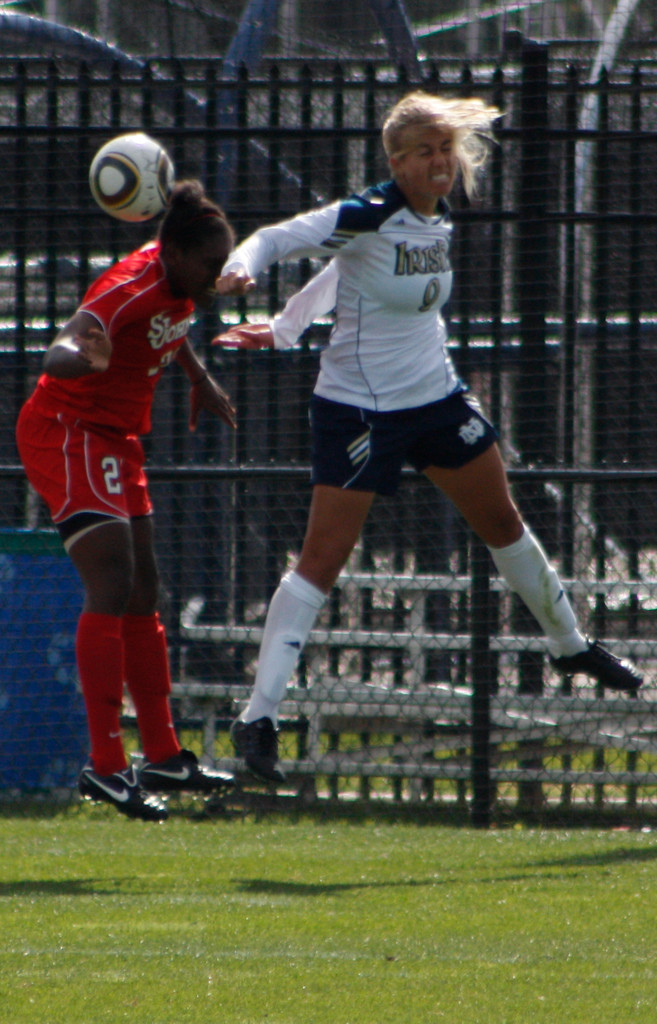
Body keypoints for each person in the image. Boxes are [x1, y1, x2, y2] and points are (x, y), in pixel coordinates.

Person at [214, 91, 642, 785]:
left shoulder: (433, 217)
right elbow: (283, 238)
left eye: (446, 148)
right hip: (359, 410)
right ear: (396, 162)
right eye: (424, 152)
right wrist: (245, 267)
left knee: (502, 520)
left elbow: (340, 274)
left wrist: (289, 323)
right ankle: (258, 716)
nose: (440, 161)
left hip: (436, 397)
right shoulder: (369, 211)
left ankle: (569, 645)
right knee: (322, 558)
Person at [17, 180, 238, 820]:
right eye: (211, 264)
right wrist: (70, 361)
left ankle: (165, 755)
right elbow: (72, 337)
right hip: (68, 431)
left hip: (116, 438)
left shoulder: (176, 281)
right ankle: (108, 767)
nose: (218, 275)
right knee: (112, 582)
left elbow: (171, 324)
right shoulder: (124, 289)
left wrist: (196, 376)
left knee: (145, 589)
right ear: (172, 251)